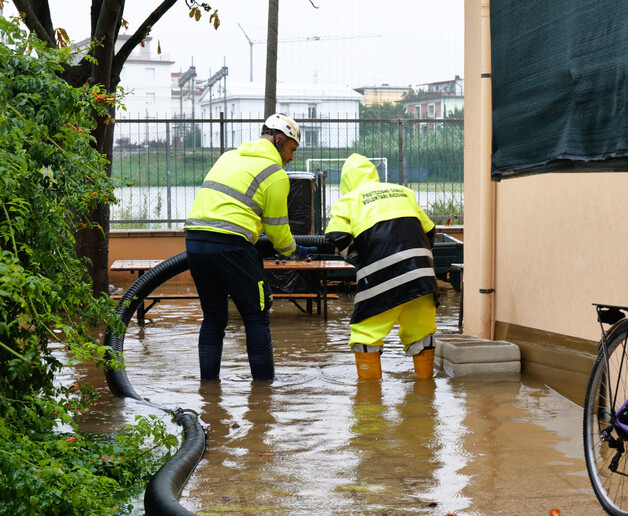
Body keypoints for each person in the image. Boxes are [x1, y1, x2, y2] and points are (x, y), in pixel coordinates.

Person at [184, 113, 316, 381]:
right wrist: (295, 252)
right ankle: (264, 395)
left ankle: (209, 391)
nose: (292, 158)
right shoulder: (275, 174)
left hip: (195, 242)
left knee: (213, 319)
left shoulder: (228, 156)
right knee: (256, 317)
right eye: (291, 149)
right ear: (279, 140)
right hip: (231, 246)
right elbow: (278, 231)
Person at [325, 153, 439, 380]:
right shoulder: (404, 192)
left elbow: (337, 236)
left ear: (346, 181)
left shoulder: (349, 200)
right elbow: (430, 231)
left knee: (365, 334)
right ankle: (425, 394)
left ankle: (369, 403)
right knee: (422, 332)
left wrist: (362, 255)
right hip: (423, 274)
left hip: (381, 275)